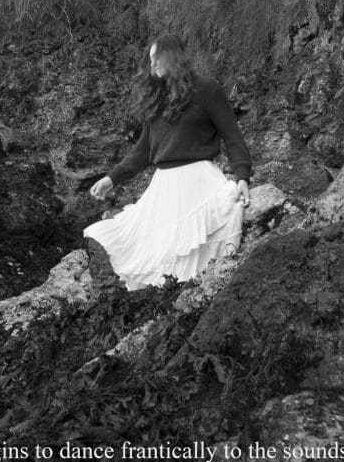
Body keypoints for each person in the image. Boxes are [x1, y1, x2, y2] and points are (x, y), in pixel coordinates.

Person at [84, 34, 252, 291]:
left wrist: (242, 177)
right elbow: (142, 152)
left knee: (191, 252)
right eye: (150, 60)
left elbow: (232, 137)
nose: (152, 65)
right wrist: (111, 179)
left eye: (157, 58)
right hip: (164, 188)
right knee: (151, 254)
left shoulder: (207, 90)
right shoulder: (158, 100)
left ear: (173, 56)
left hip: (199, 182)